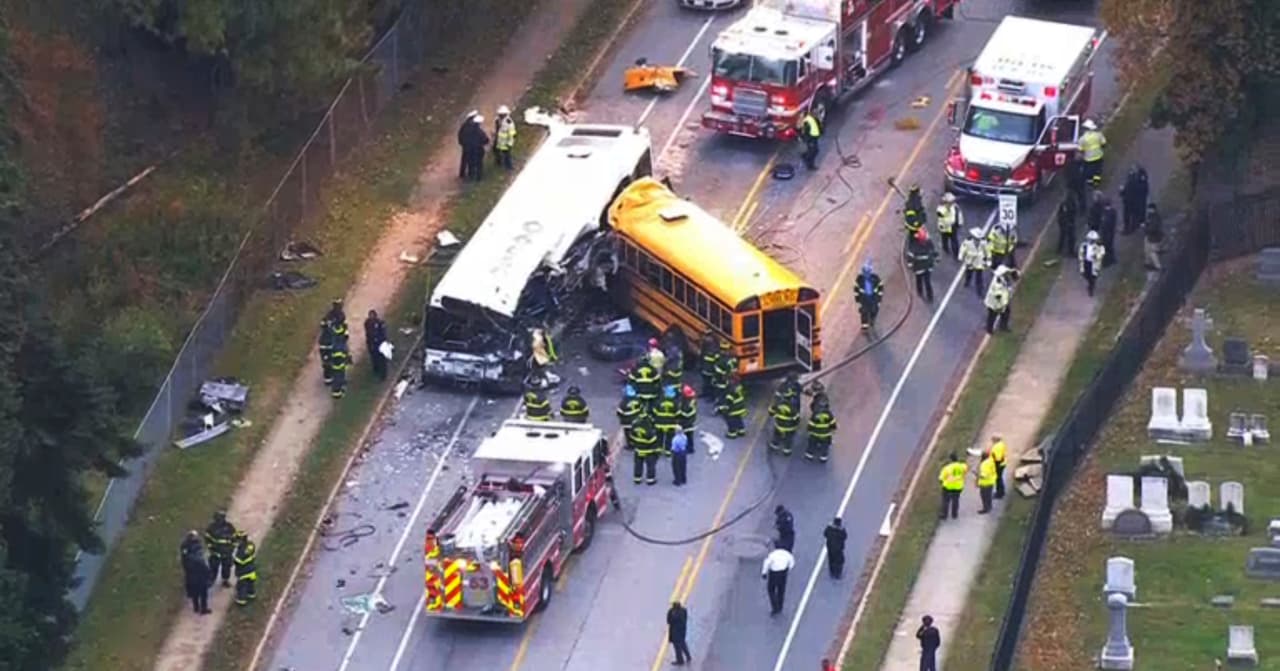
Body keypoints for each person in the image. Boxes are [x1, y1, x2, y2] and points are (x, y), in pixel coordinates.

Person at [761, 541, 796, 615]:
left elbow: (767, 563)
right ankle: (780, 606)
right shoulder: (787, 554)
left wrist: (764, 573)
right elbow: (792, 562)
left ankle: (775, 606)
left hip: (774, 573)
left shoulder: (772, 555)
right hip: (783, 573)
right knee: (781, 590)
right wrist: (787, 569)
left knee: (771, 590)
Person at [205, 511, 237, 588]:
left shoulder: (229, 527)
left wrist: (232, 548)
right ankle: (211, 580)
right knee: (213, 567)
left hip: (227, 552)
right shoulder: (211, 528)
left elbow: (235, 538)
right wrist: (211, 548)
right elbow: (207, 539)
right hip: (215, 552)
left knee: (226, 567)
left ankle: (225, 580)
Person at [907, 228, 939, 303]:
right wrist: (936, 259)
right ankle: (926, 295)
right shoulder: (926, 243)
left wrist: (910, 265)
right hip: (925, 267)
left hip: (922, 268)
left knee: (922, 281)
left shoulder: (915, 245)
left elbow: (933, 252)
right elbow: (933, 252)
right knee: (924, 282)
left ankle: (923, 293)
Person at [628, 413, 660, 485]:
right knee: (650, 466)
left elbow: (631, 436)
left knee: (638, 465)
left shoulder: (635, 425)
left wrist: (636, 443)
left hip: (638, 449)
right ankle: (650, 480)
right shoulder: (648, 427)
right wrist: (656, 451)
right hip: (649, 451)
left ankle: (637, 479)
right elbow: (653, 440)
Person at [959, 226, 990, 298]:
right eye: (976, 238)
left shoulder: (983, 243)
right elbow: (963, 249)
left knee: (979, 277)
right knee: (968, 273)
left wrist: (988, 259)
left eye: (979, 239)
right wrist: (961, 256)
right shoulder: (967, 242)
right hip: (970, 261)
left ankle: (979, 291)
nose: (978, 240)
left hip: (979, 262)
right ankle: (967, 281)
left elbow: (987, 251)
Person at [182, 542, 212, 615]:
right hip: (201, 580)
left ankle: (196, 608)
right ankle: (203, 609)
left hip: (192, 580)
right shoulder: (200, 560)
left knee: (195, 594)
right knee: (203, 595)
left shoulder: (188, 559)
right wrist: (209, 577)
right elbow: (205, 569)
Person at [1119, 163, 1149, 234]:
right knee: (1129, 215)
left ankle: (1131, 228)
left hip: (1133, 200)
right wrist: (1122, 191)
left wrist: (1123, 191)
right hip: (1129, 200)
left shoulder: (1139, 179)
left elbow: (1141, 189)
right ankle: (1130, 227)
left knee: (1133, 214)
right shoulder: (1132, 177)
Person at [854, 261, 884, 330]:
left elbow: (880, 288)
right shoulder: (859, 279)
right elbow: (856, 289)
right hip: (864, 300)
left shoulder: (875, 279)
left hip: (873, 299)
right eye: (865, 272)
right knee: (864, 313)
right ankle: (865, 327)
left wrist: (879, 299)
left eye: (867, 272)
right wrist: (857, 299)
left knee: (874, 310)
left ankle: (872, 320)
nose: (866, 274)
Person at [653, 388, 682, 455]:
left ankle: (659, 450)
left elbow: (654, 411)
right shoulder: (675, 402)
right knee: (669, 438)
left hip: (659, 423)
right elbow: (678, 413)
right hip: (670, 424)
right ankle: (668, 451)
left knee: (659, 437)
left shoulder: (659, 401)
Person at [984, 266, 1013, 335]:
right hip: (995, 303)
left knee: (1005, 313)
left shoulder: (1002, 278)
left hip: (1000, 302)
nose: (1007, 273)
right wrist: (1003, 304)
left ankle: (1002, 326)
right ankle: (989, 329)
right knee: (992, 315)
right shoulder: (997, 283)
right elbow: (998, 296)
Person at [461, 113, 489, 181]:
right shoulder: (480, 132)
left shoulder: (467, 129)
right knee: (479, 164)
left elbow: (463, 137)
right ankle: (478, 178)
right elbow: (486, 140)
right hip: (478, 150)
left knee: (471, 164)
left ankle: (471, 176)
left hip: (469, 149)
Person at [233, 531, 258, 606]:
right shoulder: (251, 545)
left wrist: (233, 558)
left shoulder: (240, 552)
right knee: (251, 585)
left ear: (240, 540)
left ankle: (241, 601)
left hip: (243, 572)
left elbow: (238, 561)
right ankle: (251, 595)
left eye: (237, 540)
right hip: (252, 570)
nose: (236, 541)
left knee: (241, 587)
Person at [1078, 230, 1106, 297]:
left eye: (1093, 240)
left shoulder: (1099, 246)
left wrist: (1096, 256)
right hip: (1086, 262)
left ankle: (1091, 288)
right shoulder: (1084, 245)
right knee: (1085, 274)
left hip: (1094, 264)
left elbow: (1102, 253)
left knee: (1093, 277)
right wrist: (1081, 260)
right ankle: (1091, 284)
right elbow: (1080, 254)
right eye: (1090, 239)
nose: (1091, 241)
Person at [939, 453, 967, 520]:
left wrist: (942, 482)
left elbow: (941, 478)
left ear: (950, 459)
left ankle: (944, 515)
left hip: (948, 487)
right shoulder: (962, 466)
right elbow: (966, 469)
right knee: (956, 500)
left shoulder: (947, 468)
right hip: (958, 487)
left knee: (946, 501)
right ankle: (954, 514)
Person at [1080, 118, 1106, 187]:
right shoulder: (1098, 134)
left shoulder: (1083, 138)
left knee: (1089, 172)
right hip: (1098, 156)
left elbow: (1080, 149)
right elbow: (1103, 144)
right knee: (1097, 171)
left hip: (1088, 159)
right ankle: (1096, 183)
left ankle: (1090, 184)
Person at [935, 192, 962, 259]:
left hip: (951, 227)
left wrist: (959, 223)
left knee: (953, 241)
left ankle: (955, 254)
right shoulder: (941, 210)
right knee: (946, 239)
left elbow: (958, 216)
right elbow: (942, 219)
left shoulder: (954, 207)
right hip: (945, 227)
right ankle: (946, 249)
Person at [666, 601, 693, 665]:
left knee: (677, 647)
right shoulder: (684, 611)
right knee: (683, 643)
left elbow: (669, 621)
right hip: (682, 631)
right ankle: (688, 656)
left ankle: (680, 660)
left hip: (675, 632)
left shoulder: (673, 613)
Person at [364, 310, 388, 380]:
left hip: (380, 343)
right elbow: (368, 333)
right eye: (370, 316)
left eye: (372, 316)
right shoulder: (367, 323)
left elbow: (383, 334)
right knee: (374, 357)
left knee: (381, 359)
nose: (371, 318)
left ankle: (383, 375)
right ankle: (376, 369)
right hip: (372, 343)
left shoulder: (380, 323)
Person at [698, 332, 720, 399]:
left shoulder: (715, 348)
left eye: (707, 336)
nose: (705, 338)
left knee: (712, 384)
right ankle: (705, 393)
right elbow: (702, 356)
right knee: (705, 383)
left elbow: (716, 360)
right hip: (705, 368)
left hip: (711, 369)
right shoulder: (705, 346)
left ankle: (712, 396)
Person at [493, 105, 516, 170]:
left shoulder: (509, 122)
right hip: (498, 140)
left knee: (507, 155)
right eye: (499, 114)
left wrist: (510, 143)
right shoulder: (497, 120)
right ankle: (498, 163)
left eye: (501, 114)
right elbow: (497, 129)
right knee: (496, 151)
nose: (500, 115)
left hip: (505, 142)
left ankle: (509, 167)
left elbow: (512, 134)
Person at [457, 109, 479, 179]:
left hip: (465, 146)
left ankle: (462, 174)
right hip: (470, 146)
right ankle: (470, 174)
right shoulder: (473, 126)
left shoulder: (464, 125)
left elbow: (460, 134)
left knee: (464, 160)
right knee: (471, 160)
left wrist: (461, 142)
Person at [1143, 202, 1164, 271]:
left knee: (1152, 252)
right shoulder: (1151, 216)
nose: (1148, 210)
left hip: (1153, 238)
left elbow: (1153, 228)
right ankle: (1147, 263)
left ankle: (1158, 266)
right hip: (1149, 237)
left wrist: (1145, 228)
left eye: (1149, 209)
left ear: (1152, 209)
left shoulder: (1154, 217)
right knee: (1147, 250)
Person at [678, 384, 698, 454]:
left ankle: (689, 449)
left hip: (686, 422)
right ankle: (690, 448)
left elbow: (686, 414)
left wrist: (679, 412)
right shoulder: (691, 400)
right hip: (690, 421)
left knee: (687, 436)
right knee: (689, 436)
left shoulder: (687, 403)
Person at [977, 448, 998, 513]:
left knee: (984, 496)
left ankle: (986, 509)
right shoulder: (991, 461)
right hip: (991, 481)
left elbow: (984, 476)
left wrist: (977, 475)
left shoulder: (984, 465)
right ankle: (989, 506)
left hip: (985, 483)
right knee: (989, 495)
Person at [1099, 198, 1119, 268]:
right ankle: (1112, 259)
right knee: (1110, 246)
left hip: (1106, 233)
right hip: (1110, 232)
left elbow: (1104, 223)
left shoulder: (1105, 213)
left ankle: (1106, 262)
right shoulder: (1113, 212)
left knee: (1106, 246)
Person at [990, 434, 1008, 500]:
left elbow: (998, 458)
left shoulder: (996, 447)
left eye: (992, 439)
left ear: (995, 439)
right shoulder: (1002, 444)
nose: (992, 441)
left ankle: (999, 493)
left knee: (998, 479)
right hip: (1003, 463)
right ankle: (1001, 491)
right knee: (1000, 478)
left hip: (999, 464)